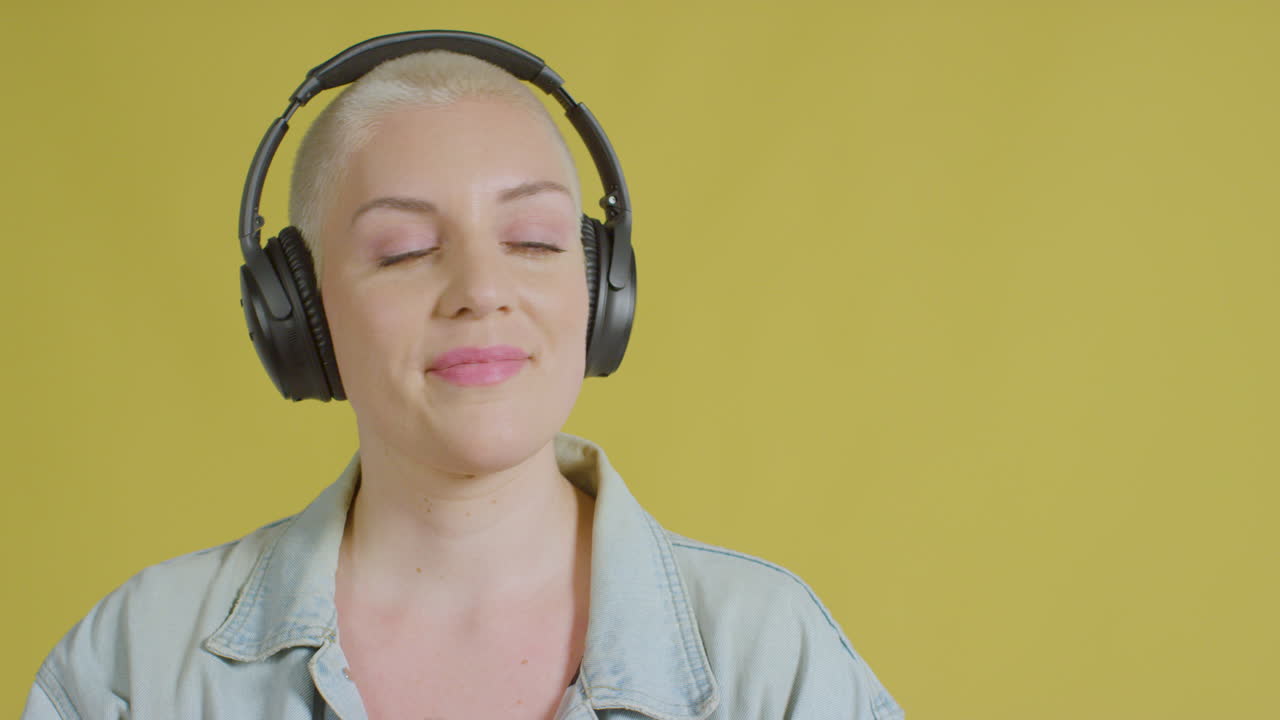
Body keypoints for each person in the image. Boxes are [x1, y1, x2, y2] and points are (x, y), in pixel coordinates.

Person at [23, 32, 903, 720]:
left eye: (532, 241)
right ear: (298, 315)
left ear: (602, 293)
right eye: (405, 251)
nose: (482, 291)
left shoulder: (769, 654)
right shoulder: (139, 664)